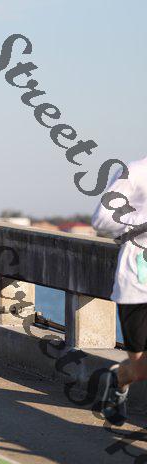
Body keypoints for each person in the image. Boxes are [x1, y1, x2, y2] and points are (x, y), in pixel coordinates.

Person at [91, 155, 147, 426]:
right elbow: (101, 220)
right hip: (138, 283)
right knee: (141, 369)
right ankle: (117, 380)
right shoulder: (134, 172)